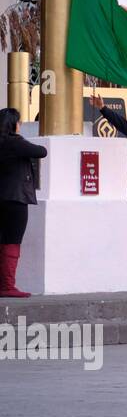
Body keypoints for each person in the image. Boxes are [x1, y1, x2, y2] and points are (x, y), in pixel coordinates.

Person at [0, 108, 46, 298]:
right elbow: (41, 151)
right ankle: (7, 285)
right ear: (13, 124)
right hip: (15, 199)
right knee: (12, 242)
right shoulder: (14, 143)